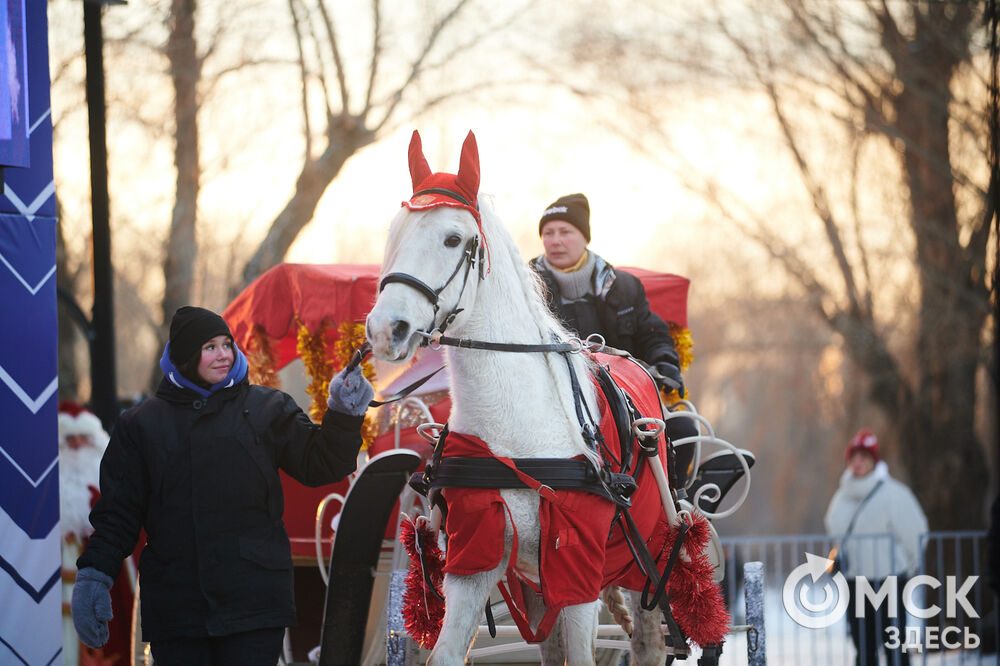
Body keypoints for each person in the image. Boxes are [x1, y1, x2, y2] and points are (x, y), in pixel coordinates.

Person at [71, 306, 373, 666]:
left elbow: (322, 462)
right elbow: (119, 513)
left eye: (226, 344)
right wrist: (95, 573)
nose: (224, 355)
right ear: (185, 356)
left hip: (254, 604)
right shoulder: (141, 425)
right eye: (210, 347)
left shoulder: (267, 408)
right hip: (177, 610)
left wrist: (344, 414)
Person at [529, 192, 685, 396]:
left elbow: (651, 335)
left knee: (685, 427)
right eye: (548, 233)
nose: (555, 241)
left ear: (585, 237)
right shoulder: (526, 291)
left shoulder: (625, 287)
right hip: (551, 397)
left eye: (565, 232)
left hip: (624, 394)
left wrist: (665, 362)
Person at [824, 428, 929, 666]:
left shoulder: (894, 494)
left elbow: (916, 532)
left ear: (874, 461)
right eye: (854, 458)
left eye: (865, 457)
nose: (858, 463)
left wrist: (907, 564)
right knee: (864, 645)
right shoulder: (842, 497)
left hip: (889, 580)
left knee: (894, 643)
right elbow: (835, 529)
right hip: (856, 581)